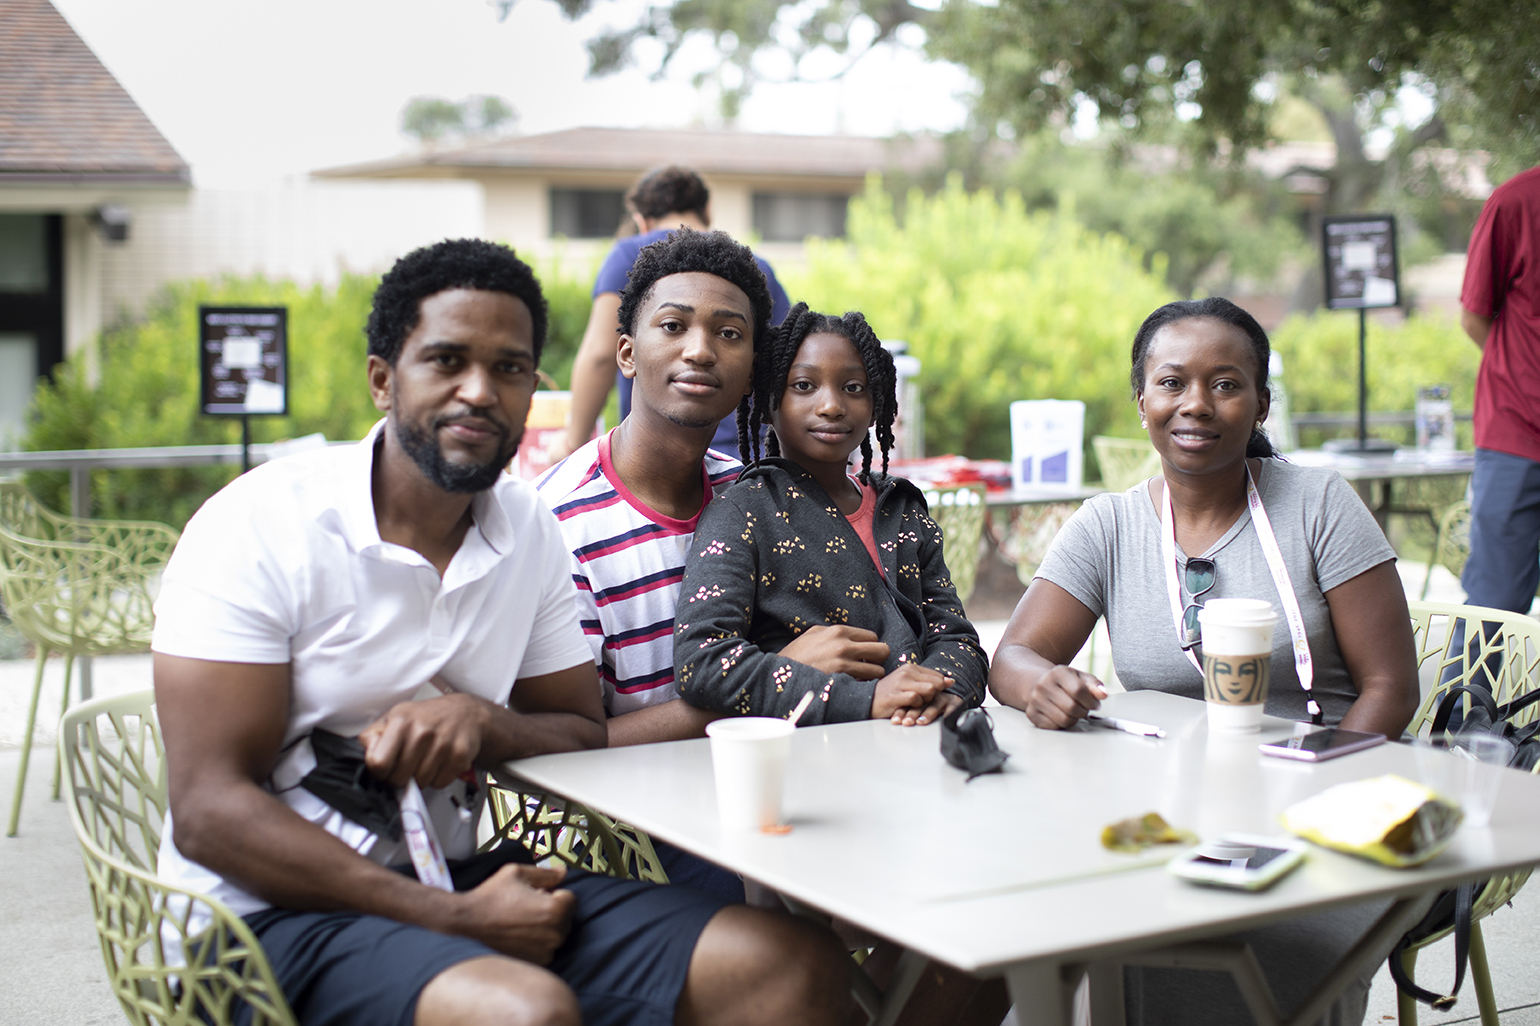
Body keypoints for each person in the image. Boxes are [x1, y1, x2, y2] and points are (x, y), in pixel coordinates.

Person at [150, 238, 850, 1026]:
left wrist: (487, 724)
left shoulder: (526, 529)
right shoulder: (259, 524)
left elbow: (580, 732)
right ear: (383, 379)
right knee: (524, 1010)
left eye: (510, 368)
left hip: (455, 874)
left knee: (790, 966)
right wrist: (449, 917)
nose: (480, 392)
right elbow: (207, 812)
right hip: (260, 924)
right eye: (447, 361)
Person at [990, 296, 1419, 1026]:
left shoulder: (1317, 505)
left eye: (1225, 384)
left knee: (1266, 955)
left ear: (1260, 404)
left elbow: (1391, 688)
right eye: (1172, 383)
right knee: (1062, 927)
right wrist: (1042, 685)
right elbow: (1014, 658)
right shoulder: (1112, 524)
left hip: (1327, 814)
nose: (1196, 404)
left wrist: (1314, 804)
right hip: (1176, 818)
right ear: (1142, 400)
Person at [675, 303, 988, 726]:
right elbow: (704, 663)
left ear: (878, 402)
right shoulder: (742, 513)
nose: (832, 406)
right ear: (768, 404)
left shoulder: (903, 512)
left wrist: (944, 691)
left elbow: (956, 636)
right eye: (804, 385)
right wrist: (863, 698)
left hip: (920, 747)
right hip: (814, 759)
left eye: (854, 388)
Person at [555, 165, 790, 461]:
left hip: (656, 460)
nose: (699, 351)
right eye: (673, 326)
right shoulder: (756, 268)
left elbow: (600, 354)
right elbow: (785, 367)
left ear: (641, 220)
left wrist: (572, 444)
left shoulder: (629, 254)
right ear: (707, 210)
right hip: (749, 458)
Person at [1460, 163, 1540, 614]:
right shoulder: (1515, 201)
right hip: (1517, 435)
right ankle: (1464, 690)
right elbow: (1474, 316)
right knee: (1496, 608)